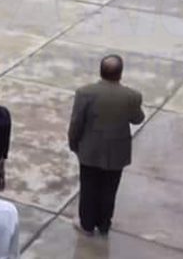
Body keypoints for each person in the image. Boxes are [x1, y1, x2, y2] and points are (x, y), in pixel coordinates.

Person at [68, 54, 144, 236]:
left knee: (88, 188)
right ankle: (104, 224)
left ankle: (87, 225)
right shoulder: (132, 96)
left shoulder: (84, 93)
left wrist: (74, 143)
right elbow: (137, 119)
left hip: (90, 150)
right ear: (120, 73)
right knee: (110, 189)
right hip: (116, 152)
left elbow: (76, 123)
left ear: (100, 71)